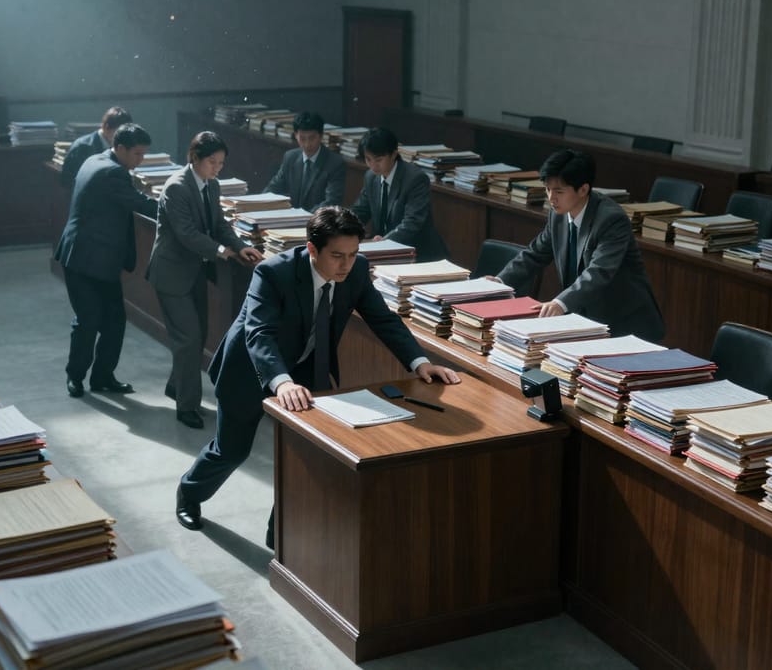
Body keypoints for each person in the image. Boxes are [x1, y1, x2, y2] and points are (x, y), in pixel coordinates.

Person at [174, 206, 460, 547]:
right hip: (252, 369)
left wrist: (419, 362)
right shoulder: (272, 272)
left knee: (304, 454)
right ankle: (188, 494)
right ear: (312, 249)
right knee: (232, 451)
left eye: (353, 255)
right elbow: (259, 334)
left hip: (309, 367)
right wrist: (281, 382)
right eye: (337, 256)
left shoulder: (356, 270)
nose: (346, 265)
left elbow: (382, 318)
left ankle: (278, 534)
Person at [147, 131, 263, 428]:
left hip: (193, 271)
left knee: (195, 334)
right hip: (171, 273)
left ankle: (177, 386)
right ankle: (187, 407)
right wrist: (222, 251)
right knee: (188, 338)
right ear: (195, 158)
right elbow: (187, 234)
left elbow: (219, 224)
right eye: (212, 162)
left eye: (221, 163)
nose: (217, 168)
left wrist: (239, 246)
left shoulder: (210, 186)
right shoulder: (177, 188)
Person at [492, 149, 665, 341]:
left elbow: (599, 272)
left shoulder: (611, 219)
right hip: (588, 320)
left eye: (558, 191)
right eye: (547, 189)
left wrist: (561, 303)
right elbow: (534, 254)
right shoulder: (558, 214)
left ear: (583, 189)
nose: (551, 198)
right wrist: (499, 283)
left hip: (625, 324)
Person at [54, 123, 157, 398]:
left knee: (114, 321)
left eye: (144, 154)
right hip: (84, 258)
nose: (140, 160)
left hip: (100, 258)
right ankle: (75, 376)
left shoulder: (97, 159)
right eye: (137, 154)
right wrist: (179, 208)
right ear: (120, 148)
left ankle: (102, 377)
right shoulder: (113, 172)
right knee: (88, 321)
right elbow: (141, 204)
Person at [349, 127, 449, 262]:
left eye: (378, 160)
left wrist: (383, 242)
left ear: (394, 154)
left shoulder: (415, 179)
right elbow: (360, 211)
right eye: (368, 159)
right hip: (384, 253)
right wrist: (340, 228)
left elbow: (412, 223)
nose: (373, 166)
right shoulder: (371, 177)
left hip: (418, 255)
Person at [263, 111, 346, 211]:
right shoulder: (290, 157)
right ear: (296, 135)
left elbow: (331, 202)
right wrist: (259, 204)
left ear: (321, 136)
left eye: (312, 138)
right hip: (290, 220)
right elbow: (274, 188)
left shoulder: (335, 163)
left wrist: (304, 217)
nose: (307, 144)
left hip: (318, 222)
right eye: (302, 138)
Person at [60, 107, 134, 188]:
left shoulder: (121, 147)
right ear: (106, 127)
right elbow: (68, 181)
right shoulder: (82, 147)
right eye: (119, 132)